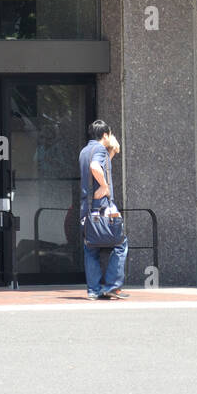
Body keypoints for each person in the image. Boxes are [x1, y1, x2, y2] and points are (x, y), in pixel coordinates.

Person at [79, 119, 127, 300]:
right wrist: (105, 187)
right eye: (110, 134)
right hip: (102, 208)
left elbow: (98, 166)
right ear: (105, 135)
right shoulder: (99, 150)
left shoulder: (85, 151)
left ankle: (94, 290)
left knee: (90, 247)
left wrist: (112, 151)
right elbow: (95, 167)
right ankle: (113, 286)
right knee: (120, 243)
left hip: (87, 209)